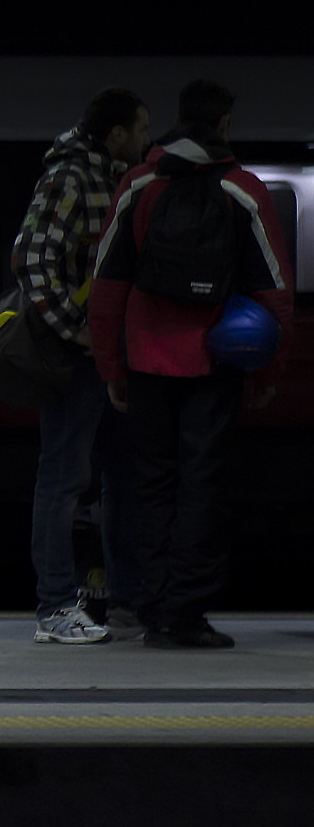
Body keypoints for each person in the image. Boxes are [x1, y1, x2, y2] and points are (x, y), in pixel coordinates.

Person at [89, 79, 295, 649]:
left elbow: (106, 285)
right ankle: (186, 615)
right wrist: (267, 374)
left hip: (147, 364)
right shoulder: (243, 189)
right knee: (202, 486)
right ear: (225, 124)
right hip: (216, 364)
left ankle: (150, 608)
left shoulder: (138, 184)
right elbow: (275, 293)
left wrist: (111, 367)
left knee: (149, 484)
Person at [15, 87, 151, 644]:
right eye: (140, 129)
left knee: (121, 477)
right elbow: (32, 259)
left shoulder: (110, 179)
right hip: (80, 358)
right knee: (64, 479)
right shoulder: (72, 178)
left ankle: (124, 602)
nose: (147, 140)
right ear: (116, 134)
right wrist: (76, 331)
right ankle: (54, 607)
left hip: (109, 357)